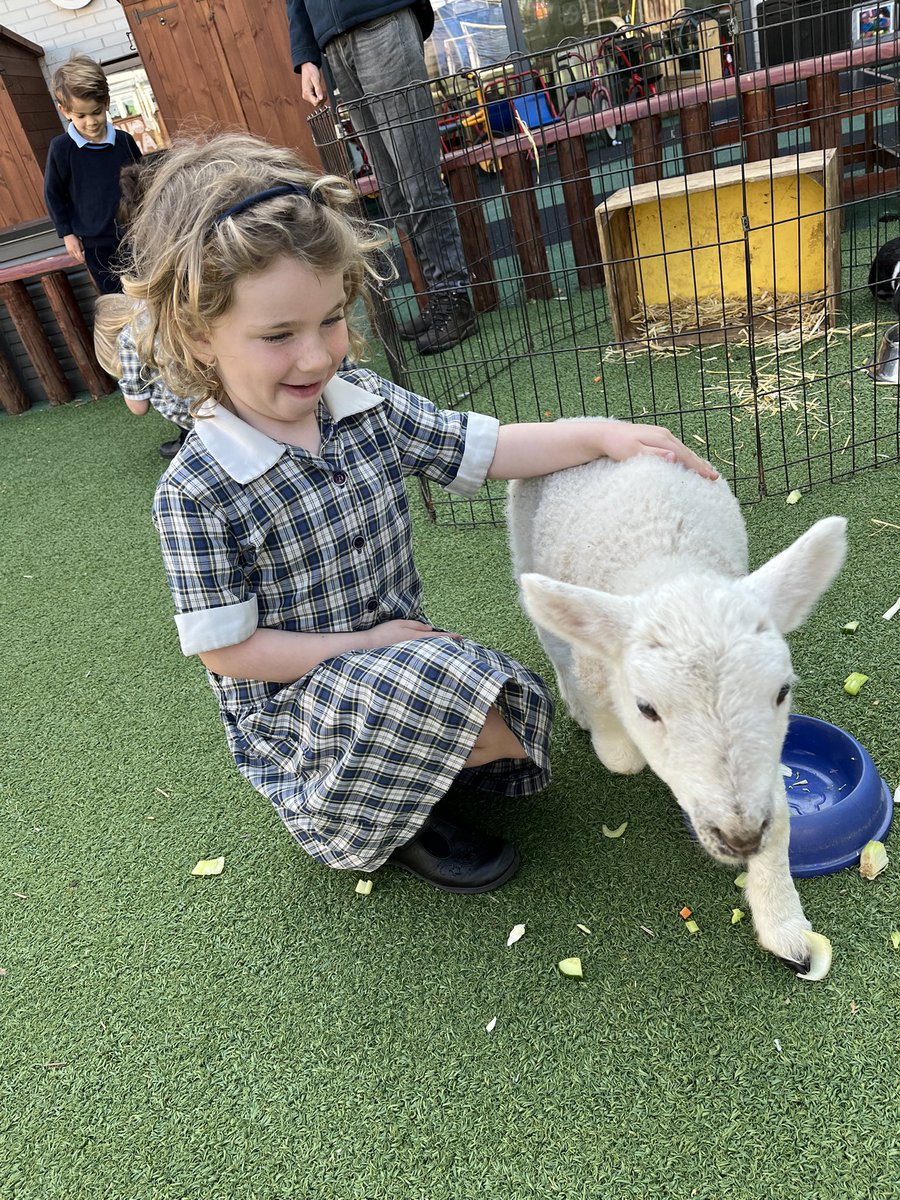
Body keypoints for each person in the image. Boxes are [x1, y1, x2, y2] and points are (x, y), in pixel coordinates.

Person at [122, 131, 717, 893]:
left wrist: (601, 433)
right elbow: (228, 654)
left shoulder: (361, 403)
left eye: (331, 320)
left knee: (515, 697)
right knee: (447, 691)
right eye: (278, 336)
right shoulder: (196, 491)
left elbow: (486, 446)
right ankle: (390, 817)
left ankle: (414, 765)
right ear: (199, 335)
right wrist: (363, 642)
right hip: (298, 704)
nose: (317, 357)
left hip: (400, 656)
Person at [286, 1, 477, 355]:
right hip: (333, 41)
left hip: (381, 20)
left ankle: (454, 298)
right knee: (393, 191)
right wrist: (306, 55)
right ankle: (440, 299)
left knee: (417, 180)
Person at [44, 55, 142, 295]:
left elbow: (142, 182)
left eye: (96, 112)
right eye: (81, 116)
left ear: (106, 103)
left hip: (137, 235)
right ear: (65, 111)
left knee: (147, 290)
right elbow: (53, 194)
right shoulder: (61, 149)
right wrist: (67, 234)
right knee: (116, 300)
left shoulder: (124, 141)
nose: (91, 122)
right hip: (97, 243)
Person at [92, 293, 193, 457]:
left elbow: (138, 408)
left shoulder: (128, 338)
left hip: (197, 413)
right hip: (222, 391)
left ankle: (193, 440)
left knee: (160, 388)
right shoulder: (167, 315)